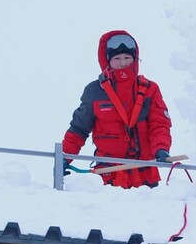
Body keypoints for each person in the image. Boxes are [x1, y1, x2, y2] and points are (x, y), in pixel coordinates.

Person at [62, 30, 174, 188]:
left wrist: (161, 149)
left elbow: (159, 125)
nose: (123, 63)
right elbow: (78, 129)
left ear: (135, 59)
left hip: (145, 175)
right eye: (117, 58)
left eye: (127, 58)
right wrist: (64, 158)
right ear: (107, 60)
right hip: (108, 175)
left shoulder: (150, 89)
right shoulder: (94, 91)